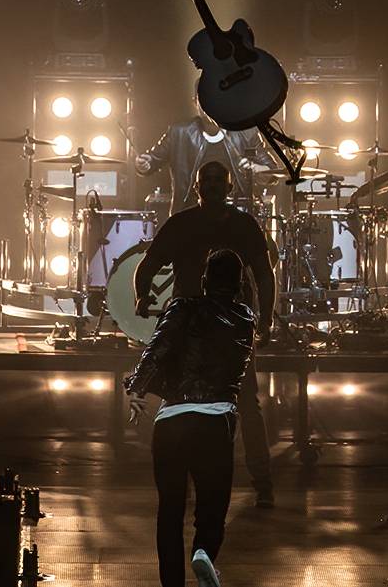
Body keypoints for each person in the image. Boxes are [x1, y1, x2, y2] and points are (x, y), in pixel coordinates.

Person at [134, 161, 277, 507]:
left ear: (228, 188)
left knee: (240, 400)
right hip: (197, 325)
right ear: (197, 188)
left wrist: (267, 318)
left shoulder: (239, 225)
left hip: (227, 326)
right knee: (190, 401)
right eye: (207, 181)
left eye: (218, 181)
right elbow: (147, 265)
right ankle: (207, 482)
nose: (212, 186)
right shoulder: (186, 225)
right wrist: (142, 294)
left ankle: (259, 482)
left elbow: (264, 273)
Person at [124, 249, 255, 587]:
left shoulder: (181, 307)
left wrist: (137, 388)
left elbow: (158, 348)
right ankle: (204, 553)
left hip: (172, 422)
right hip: (216, 422)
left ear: (204, 280)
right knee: (212, 507)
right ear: (239, 286)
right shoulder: (245, 319)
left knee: (169, 510)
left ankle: (172, 583)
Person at [135, 102, 277, 214]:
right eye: (205, 101)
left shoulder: (246, 132)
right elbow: (152, 161)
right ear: (195, 102)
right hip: (189, 212)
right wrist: (143, 164)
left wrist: (255, 169)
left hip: (234, 213)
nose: (210, 106)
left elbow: (272, 171)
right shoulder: (179, 133)